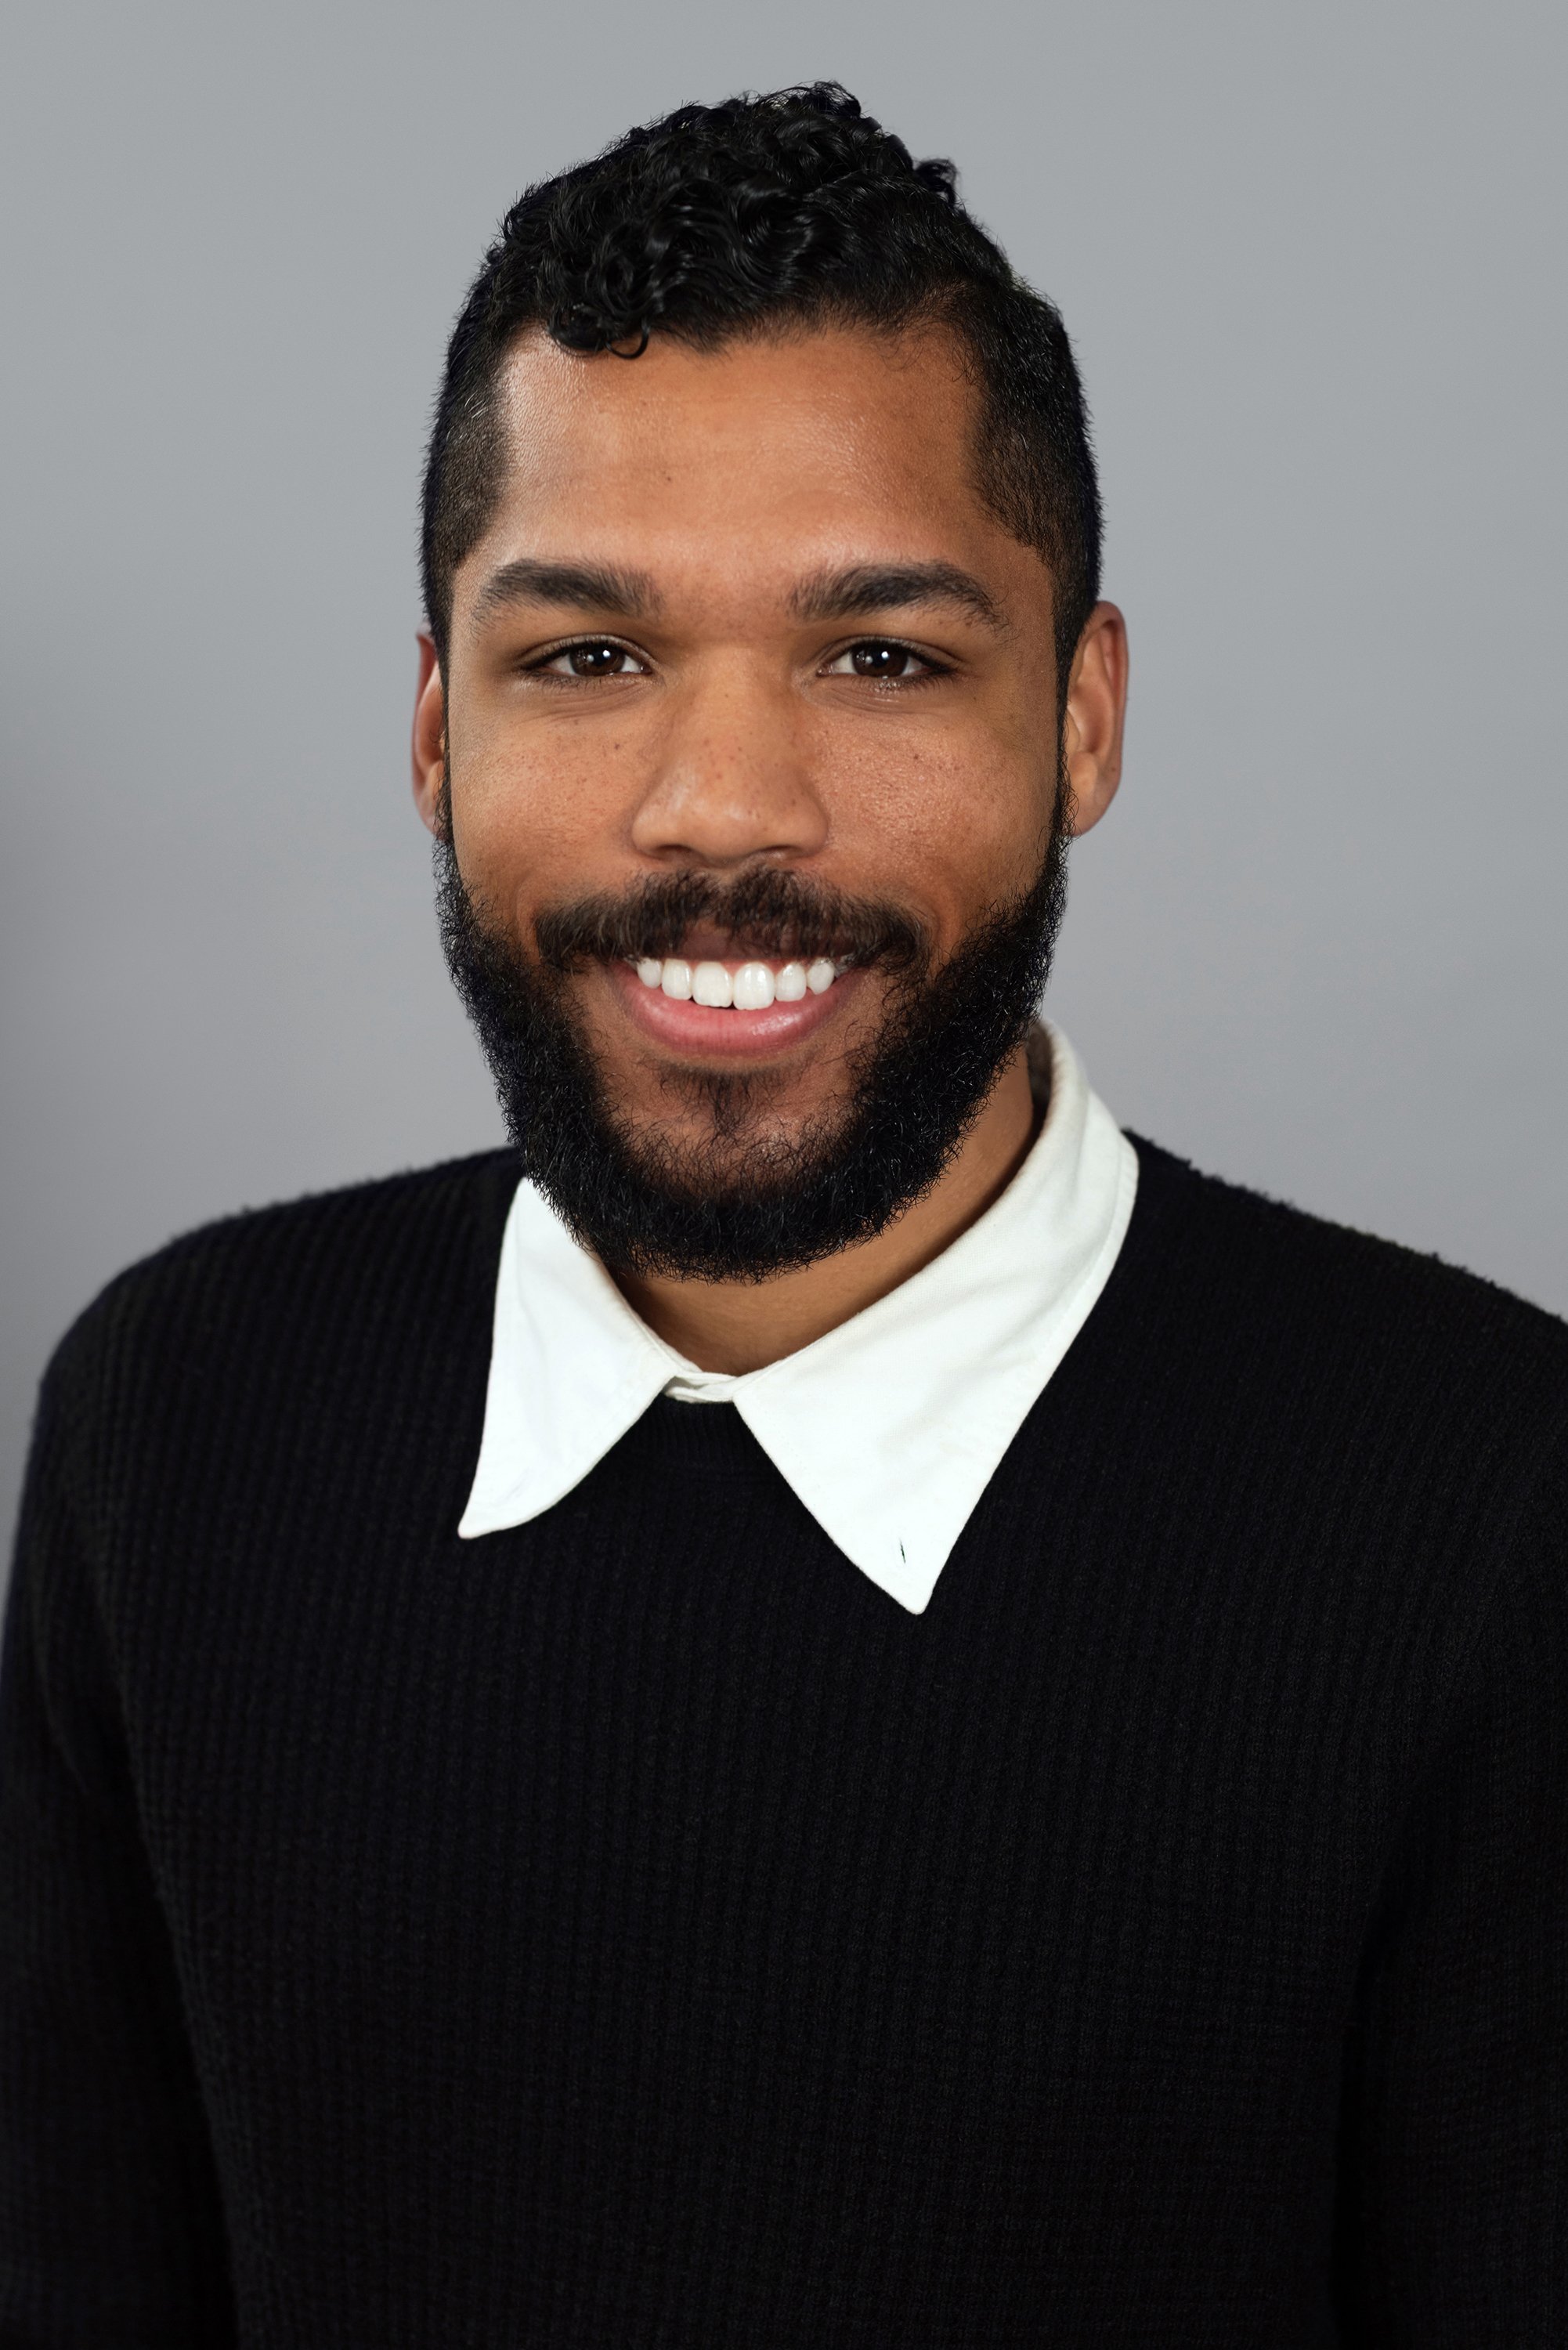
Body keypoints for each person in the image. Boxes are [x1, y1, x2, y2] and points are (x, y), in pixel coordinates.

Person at [2, 81, 1563, 2348]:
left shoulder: (1483, 1498)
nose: (720, 806)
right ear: (435, 726)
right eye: (587, 657)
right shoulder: (180, 1415)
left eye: (883, 657)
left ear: (1084, 718)